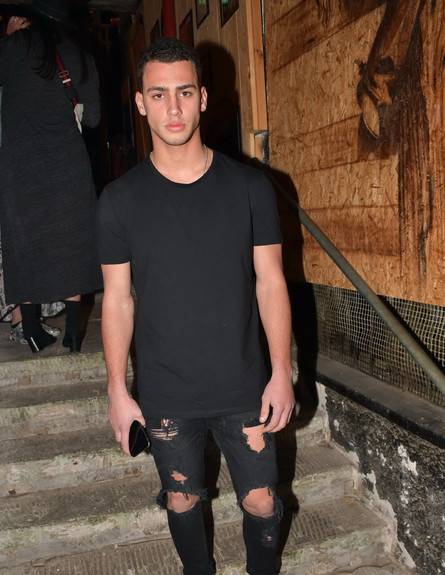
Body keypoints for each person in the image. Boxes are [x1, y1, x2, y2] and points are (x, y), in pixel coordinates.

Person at [97, 36, 295, 575]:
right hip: (166, 389)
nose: (173, 108)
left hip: (243, 383)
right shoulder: (119, 200)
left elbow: (271, 283)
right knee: (181, 499)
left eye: (184, 92)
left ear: (203, 98)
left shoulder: (251, 188)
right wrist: (117, 390)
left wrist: (282, 371)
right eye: (158, 95)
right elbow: (117, 300)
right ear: (141, 104)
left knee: (261, 501)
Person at [0, 0, 102, 353]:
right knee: (71, 239)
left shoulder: (14, 46)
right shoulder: (81, 56)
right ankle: (73, 332)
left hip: (19, 165)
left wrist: (8, 37)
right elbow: (93, 119)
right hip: (68, 161)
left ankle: (30, 328)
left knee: (24, 242)